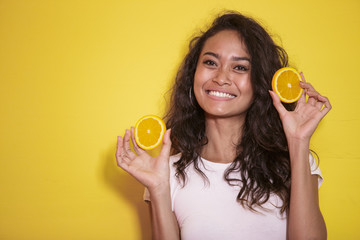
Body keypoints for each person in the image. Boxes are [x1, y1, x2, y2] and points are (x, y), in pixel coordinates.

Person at [116, 11, 331, 240]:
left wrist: (298, 142)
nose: (221, 77)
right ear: (193, 75)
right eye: (210, 62)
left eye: (240, 67)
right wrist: (159, 188)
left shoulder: (291, 162)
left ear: (260, 82)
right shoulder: (165, 172)